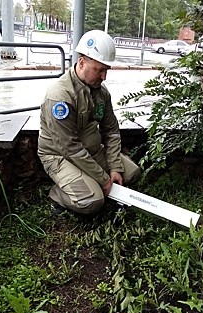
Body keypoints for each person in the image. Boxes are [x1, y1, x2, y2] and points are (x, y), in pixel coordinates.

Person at [38, 30, 141, 215]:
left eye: (106, 70)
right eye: (99, 70)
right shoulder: (60, 97)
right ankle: (57, 195)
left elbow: (111, 131)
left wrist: (115, 167)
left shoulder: (101, 92)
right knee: (93, 201)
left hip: (92, 151)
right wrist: (103, 179)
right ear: (82, 61)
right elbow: (70, 148)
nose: (104, 77)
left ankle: (88, 180)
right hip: (60, 156)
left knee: (131, 173)